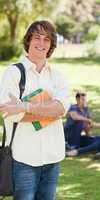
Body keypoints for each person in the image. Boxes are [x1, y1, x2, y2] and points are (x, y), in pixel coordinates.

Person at [0, 20, 69, 200]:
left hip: (53, 157)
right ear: (28, 41)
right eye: (37, 38)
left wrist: (25, 106)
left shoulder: (57, 76)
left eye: (47, 39)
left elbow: (61, 109)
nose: (41, 43)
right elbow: (10, 113)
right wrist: (49, 111)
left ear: (51, 45)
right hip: (24, 158)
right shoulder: (13, 73)